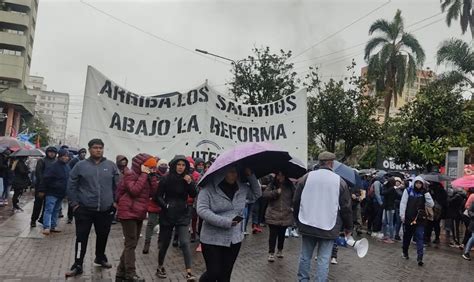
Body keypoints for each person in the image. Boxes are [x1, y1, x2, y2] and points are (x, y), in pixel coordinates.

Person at [293, 152, 352, 282]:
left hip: (307, 222)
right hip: (328, 226)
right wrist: (348, 227)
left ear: (319, 162)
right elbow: (346, 208)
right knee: (323, 259)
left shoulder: (306, 178)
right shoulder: (339, 181)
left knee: (305, 256)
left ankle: (303, 280)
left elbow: (296, 201)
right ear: (331, 163)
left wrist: (297, 220)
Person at [65, 139, 119, 278]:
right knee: (81, 238)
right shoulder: (80, 166)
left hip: (105, 210)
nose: (98, 150)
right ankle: (78, 264)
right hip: (84, 209)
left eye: (100, 148)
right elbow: (71, 185)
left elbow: (118, 186)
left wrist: (115, 202)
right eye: (95, 148)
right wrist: (74, 204)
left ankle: (100, 257)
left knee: (103, 235)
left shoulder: (111, 166)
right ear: (89, 149)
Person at [197, 166, 261, 282]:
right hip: (212, 239)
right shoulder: (208, 189)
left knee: (225, 275)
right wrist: (225, 222)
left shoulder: (242, 187)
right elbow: (202, 210)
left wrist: (250, 175)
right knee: (213, 273)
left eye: (236, 172)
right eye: (231, 172)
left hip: (234, 238)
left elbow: (257, 194)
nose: (234, 175)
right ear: (222, 173)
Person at [116, 154, 158, 282]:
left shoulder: (147, 176)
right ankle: (130, 274)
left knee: (132, 244)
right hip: (128, 212)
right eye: (149, 167)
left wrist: (152, 178)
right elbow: (134, 191)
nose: (151, 169)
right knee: (130, 243)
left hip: (139, 213)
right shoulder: (130, 174)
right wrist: (144, 175)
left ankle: (120, 273)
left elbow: (153, 193)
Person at [155, 155, 197, 281]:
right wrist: (166, 206)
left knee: (185, 242)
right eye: (178, 164)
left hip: (182, 213)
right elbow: (157, 196)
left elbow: (194, 194)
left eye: (183, 165)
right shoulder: (166, 179)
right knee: (165, 244)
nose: (181, 167)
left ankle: (189, 272)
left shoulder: (187, 179)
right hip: (167, 214)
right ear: (174, 165)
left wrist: (190, 183)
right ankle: (160, 266)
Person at [400, 176, 434, 266]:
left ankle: (420, 257)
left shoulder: (424, 193)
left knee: (420, 237)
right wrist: (402, 215)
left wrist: (426, 193)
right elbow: (403, 203)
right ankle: (405, 251)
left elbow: (431, 204)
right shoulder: (408, 191)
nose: (418, 185)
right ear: (414, 183)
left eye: (420, 183)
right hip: (409, 218)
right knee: (407, 236)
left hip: (420, 219)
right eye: (417, 183)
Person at [263, 171, 295, 262]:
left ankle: (280, 250)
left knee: (281, 234)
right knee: (272, 235)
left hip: (285, 213)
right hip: (273, 213)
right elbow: (265, 194)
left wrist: (292, 207)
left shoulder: (290, 185)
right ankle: (271, 252)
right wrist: (276, 192)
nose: (279, 177)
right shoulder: (272, 184)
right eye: (278, 175)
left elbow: (295, 196)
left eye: (282, 175)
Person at [41, 149, 70, 235]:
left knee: (56, 210)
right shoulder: (53, 166)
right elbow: (45, 179)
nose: (65, 157)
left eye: (67, 156)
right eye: (64, 156)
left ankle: (53, 226)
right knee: (49, 209)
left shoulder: (67, 167)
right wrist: (42, 190)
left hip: (61, 193)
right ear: (59, 156)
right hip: (52, 192)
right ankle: (46, 226)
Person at [143, 158, 168, 254]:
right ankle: (147, 243)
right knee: (150, 224)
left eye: (165, 165)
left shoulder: (168, 176)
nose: (164, 167)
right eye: (162, 165)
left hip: (163, 204)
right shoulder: (152, 175)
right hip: (153, 203)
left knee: (163, 224)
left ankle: (160, 243)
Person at [31, 146, 57, 227]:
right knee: (38, 204)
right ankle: (33, 220)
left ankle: (43, 219)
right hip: (41, 186)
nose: (52, 153)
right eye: (50, 152)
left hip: (51, 188)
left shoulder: (56, 162)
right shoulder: (42, 161)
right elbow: (39, 174)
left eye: (53, 152)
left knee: (48, 205)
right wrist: (43, 185)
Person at [381, 177, 397, 243]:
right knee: (384, 222)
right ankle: (385, 235)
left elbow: (384, 193)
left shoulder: (393, 189)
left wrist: (385, 185)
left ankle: (391, 237)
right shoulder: (390, 188)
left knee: (390, 223)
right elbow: (383, 192)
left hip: (390, 208)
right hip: (386, 207)